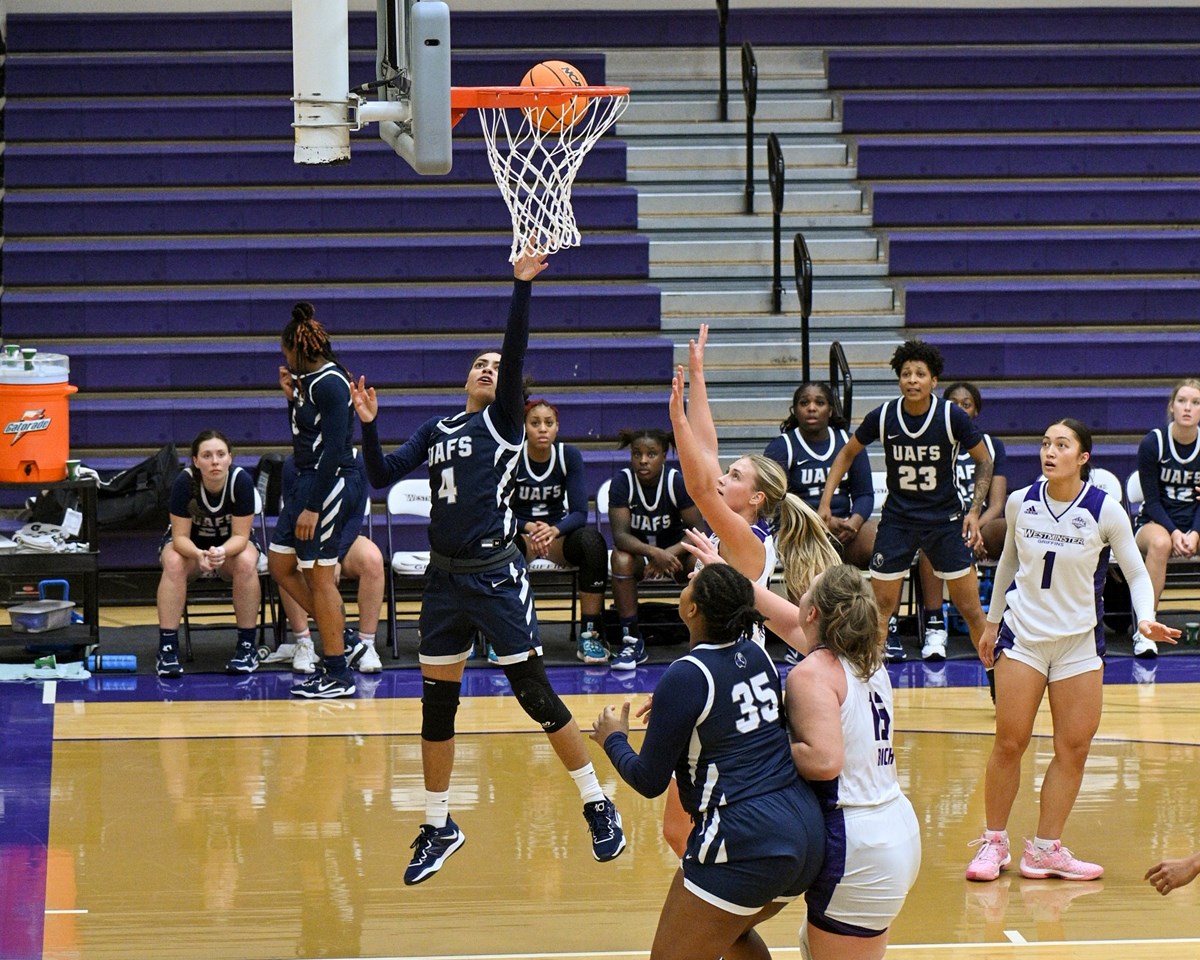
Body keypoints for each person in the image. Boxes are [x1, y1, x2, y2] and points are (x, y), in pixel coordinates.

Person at [351, 251, 625, 884]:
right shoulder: (437, 426)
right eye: (478, 363)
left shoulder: (506, 425)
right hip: (443, 581)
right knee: (435, 709)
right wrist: (368, 427)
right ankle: (439, 824)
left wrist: (520, 286)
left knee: (534, 695)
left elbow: (515, 345)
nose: (486, 366)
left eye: (496, 366)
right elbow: (379, 475)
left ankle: (596, 802)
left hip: (496, 577)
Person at [683, 535, 920, 960]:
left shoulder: (810, 674)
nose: (795, 598)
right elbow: (785, 621)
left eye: (804, 594)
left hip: (857, 839)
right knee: (735, 926)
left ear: (814, 611)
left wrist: (755, 746)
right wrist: (724, 569)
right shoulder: (866, 655)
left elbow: (824, 761)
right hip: (890, 826)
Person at [965, 418, 1179, 883]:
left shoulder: (1106, 510)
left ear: (1082, 458)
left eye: (1062, 445)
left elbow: (1138, 573)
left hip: (1079, 644)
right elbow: (1008, 564)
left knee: (1073, 748)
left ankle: (1045, 849)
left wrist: (1144, 618)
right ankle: (994, 843)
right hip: (1023, 637)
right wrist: (992, 622)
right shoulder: (1022, 502)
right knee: (1009, 742)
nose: (1050, 451)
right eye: (1045, 443)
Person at [591, 563, 825, 960]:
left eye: (690, 585)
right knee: (729, 933)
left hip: (744, 835)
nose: (684, 587)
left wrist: (613, 738)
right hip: (805, 832)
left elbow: (649, 780)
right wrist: (673, 711)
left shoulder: (686, 675)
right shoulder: (757, 655)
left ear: (694, 610)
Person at [662, 326, 838, 854]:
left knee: (688, 822)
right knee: (687, 822)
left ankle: (721, 898)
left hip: (729, 677)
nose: (722, 477)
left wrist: (675, 421)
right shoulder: (733, 531)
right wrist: (696, 375)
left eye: (734, 476)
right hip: (716, 672)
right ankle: (722, 897)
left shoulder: (747, 544)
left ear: (755, 498)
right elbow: (708, 449)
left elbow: (697, 480)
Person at [816, 340, 994, 674]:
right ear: (899, 379)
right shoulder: (883, 416)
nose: (912, 380)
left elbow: (985, 461)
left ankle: (998, 679)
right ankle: (868, 686)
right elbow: (846, 453)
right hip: (898, 520)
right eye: (906, 373)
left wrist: (973, 511)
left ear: (933, 381)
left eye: (920, 374)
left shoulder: (951, 416)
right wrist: (825, 502)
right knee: (881, 608)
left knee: (970, 608)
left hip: (944, 520)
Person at [268, 302, 364, 699]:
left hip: (328, 483)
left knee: (320, 576)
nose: (283, 358)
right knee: (280, 563)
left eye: (284, 350)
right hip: (307, 482)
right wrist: (291, 397)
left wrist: (312, 505)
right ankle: (342, 635)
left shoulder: (330, 382)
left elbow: (334, 449)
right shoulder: (307, 382)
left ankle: (337, 671)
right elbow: (308, 437)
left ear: (296, 348)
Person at [155, 429, 261, 677]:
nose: (215, 461)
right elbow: (179, 537)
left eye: (221, 454)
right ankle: (167, 649)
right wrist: (198, 555)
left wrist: (221, 552)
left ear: (230, 458)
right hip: (191, 549)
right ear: (195, 461)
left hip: (229, 549)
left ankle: (247, 647)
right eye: (207, 455)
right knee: (172, 560)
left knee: (247, 560)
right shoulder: (184, 482)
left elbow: (242, 537)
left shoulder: (241, 481)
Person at [513, 398, 611, 664]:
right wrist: (528, 527)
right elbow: (497, 509)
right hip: (521, 534)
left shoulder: (569, 455)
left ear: (557, 428)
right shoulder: (512, 455)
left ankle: (589, 634)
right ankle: (512, 636)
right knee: (500, 544)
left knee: (593, 543)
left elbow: (580, 512)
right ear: (524, 428)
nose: (542, 429)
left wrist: (554, 530)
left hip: (557, 537)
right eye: (535, 423)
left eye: (549, 423)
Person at [917, 381, 1009, 661]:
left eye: (966, 404)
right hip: (945, 521)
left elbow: (997, 504)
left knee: (1015, 529)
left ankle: (1016, 622)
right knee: (929, 539)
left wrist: (976, 527)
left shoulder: (992, 446)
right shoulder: (931, 442)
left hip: (982, 522)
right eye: (954, 404)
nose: (960, 409)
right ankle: (935, 627)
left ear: (976, 411)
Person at [271, 453, 385, 674]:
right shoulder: (294, 463)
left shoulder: (356, 461)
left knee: (373, 559)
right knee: (287, 564)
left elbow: (355, 515)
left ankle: (365, 644)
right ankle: (304, 642)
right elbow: (292, 513)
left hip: (343, 539)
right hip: (308, 538)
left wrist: (336, 557)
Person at [607, 426, 705, 670]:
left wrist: (668, 553)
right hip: (642, 558)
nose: (643, 460)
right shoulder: (622, 481)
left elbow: (698, 533)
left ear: (664, 456)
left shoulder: (676, 482)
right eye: (636, 454)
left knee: (700, 562)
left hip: (676, 557)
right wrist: (654, 553)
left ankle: (702, 639)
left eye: (651, 454)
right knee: (620, 559)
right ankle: (632, 640)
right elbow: (620, 537)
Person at [764, 380, 876, 569]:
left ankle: (871, 598)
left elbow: (864, 494)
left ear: (830, 410)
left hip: (843, 530)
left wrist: (854, 523)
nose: (812, 408)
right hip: (798, 530)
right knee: (803, 552)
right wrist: (818, 522)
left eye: (820, 402)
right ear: (795, 411)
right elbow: (775, 503)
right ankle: (805, 597)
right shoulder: (782, 447)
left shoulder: (848, 442)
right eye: (804, 403)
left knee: (876, 539)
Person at [1131, 379, 1200, 658]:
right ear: (1172, 407)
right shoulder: (1153, 443)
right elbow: (1153, 500)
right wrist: (1174, 532)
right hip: (1154, 523)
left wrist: (1194, 532)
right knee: (1160, 544)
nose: (1188, 408)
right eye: (1182, 401)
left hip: (1194, 524)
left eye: (1196, 403)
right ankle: (1145, 630)